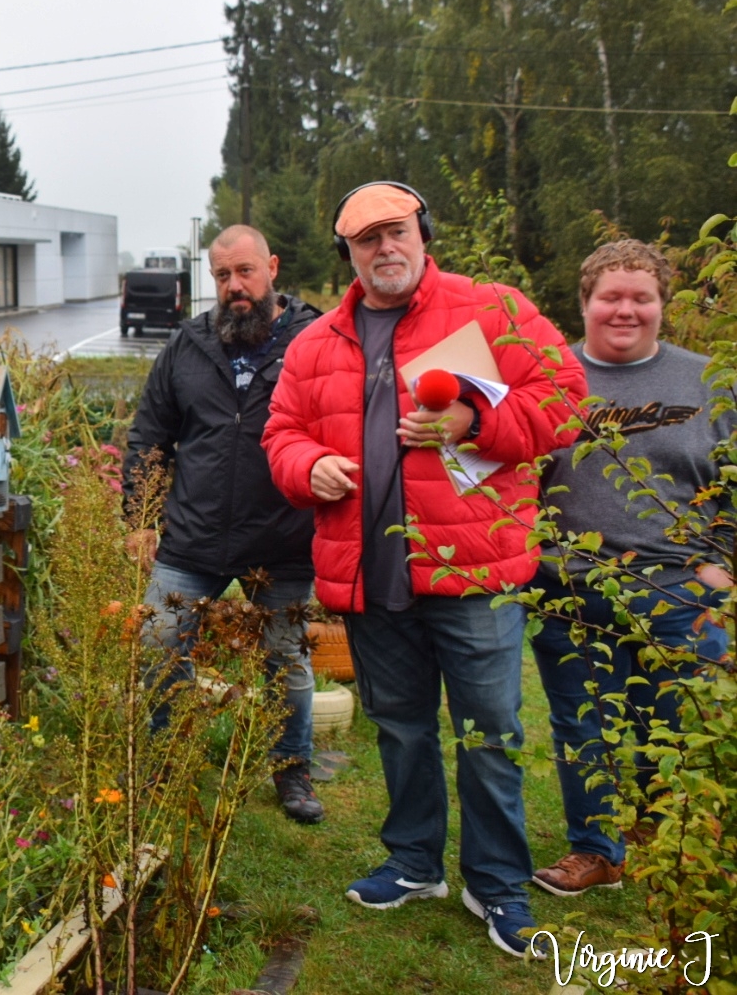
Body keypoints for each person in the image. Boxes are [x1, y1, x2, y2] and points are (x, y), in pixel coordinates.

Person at [261, 181, 586, 957]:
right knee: (402, 729)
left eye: (396, 232)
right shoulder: (313, 344)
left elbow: (567, 398)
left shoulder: (492, 309)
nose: (385, 249)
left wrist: (477, 420)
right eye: (366, 240)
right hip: (372, 575)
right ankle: (414, 863)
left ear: (422, 233)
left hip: (472, 570)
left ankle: (496, 883)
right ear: (347, 255)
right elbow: (280, 434)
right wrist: (309, 468)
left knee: (490, 733)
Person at [528, 240, 732, 897]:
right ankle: (596, 851)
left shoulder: (711, 382)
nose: (625, 310)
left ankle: (673, 844)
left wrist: (723, 566)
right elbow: (497, 470)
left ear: (661, 305)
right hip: (570, 585)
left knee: (674, 725)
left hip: (680, 587)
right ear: (583, 303)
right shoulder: (547, 377)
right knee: (579, 721)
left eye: (640, 297)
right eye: (610, 297)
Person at [123, 224, 325, 823]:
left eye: (245, 272)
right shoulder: (186, 347)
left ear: (273, 268)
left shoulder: (314, 341)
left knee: (284, 661)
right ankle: (165, 759)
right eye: (222, 276)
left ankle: (292, 772)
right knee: (159, 647)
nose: (235, 286)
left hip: (283, 535)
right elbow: (149, 437)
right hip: (193, 537)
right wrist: (138, 516)